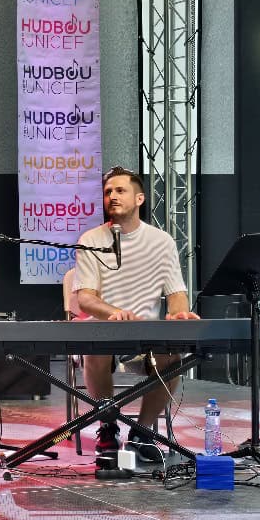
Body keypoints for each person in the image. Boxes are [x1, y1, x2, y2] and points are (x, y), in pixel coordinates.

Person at [72, 166, 198, 463]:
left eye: (120, 190)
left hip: (145, 336)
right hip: (104, 330)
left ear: (139, 198)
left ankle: (142, 432)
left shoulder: (162, 242)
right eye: (108, 192)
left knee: (172, 357)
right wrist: (115, 313)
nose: (112, 196)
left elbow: (176, 294)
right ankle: (108, 427)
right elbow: (85, 299)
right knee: (95, 351)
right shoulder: (91, 239)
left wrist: (179, 315)